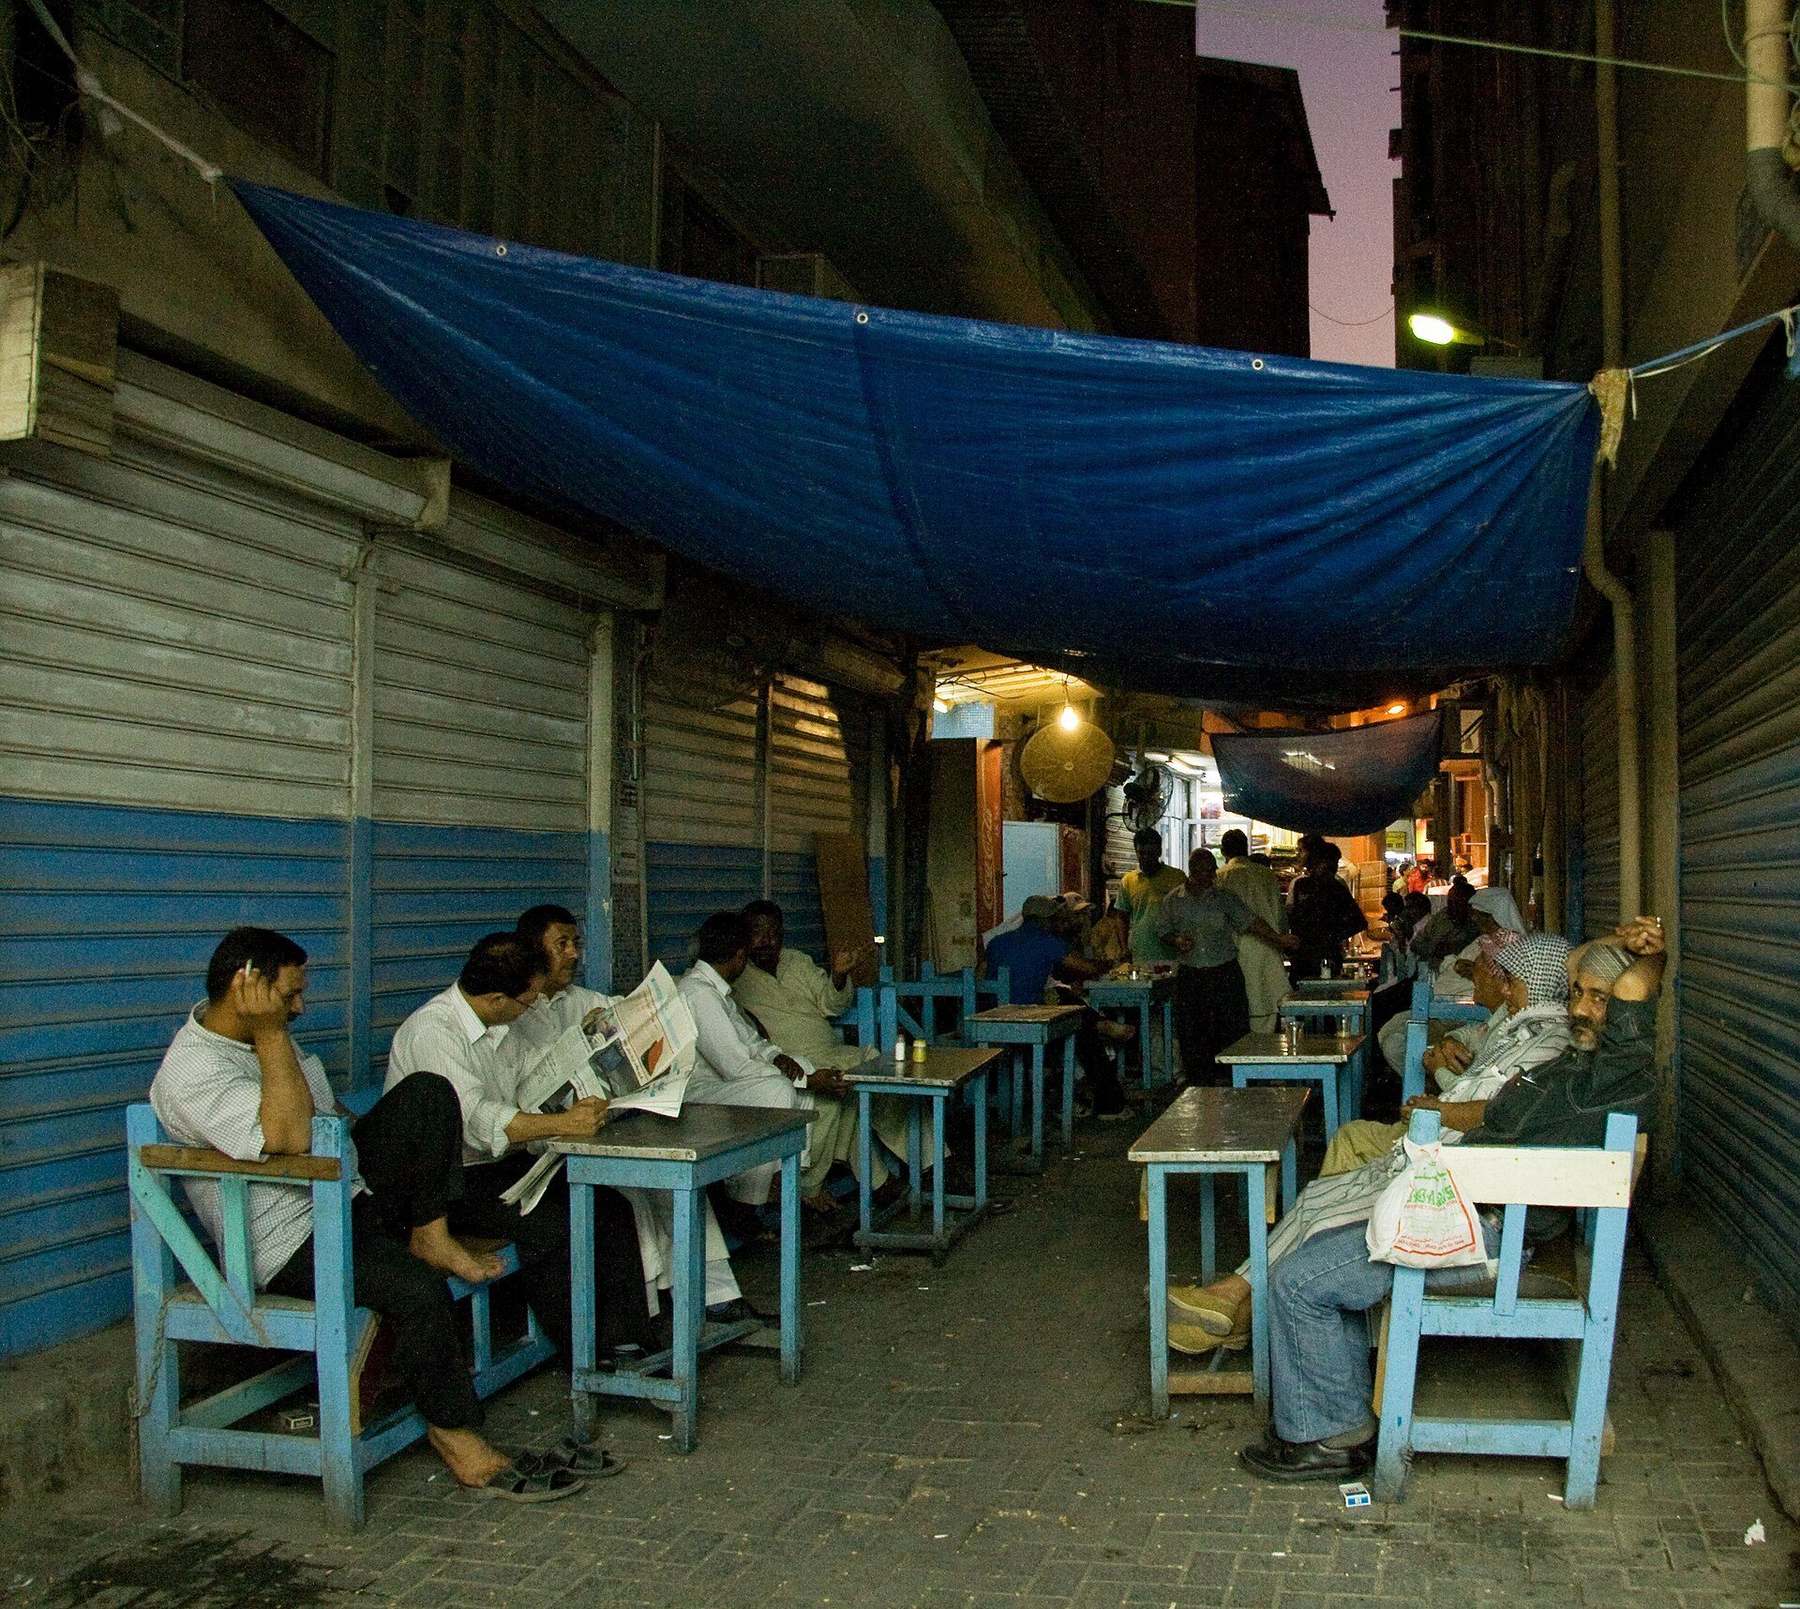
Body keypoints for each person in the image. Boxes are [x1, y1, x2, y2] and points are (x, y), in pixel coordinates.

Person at [150, 927, 587, 1502]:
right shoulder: (193, 1071)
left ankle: (431, 1234)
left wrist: (393, 1146)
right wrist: (271, 1033)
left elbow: (331, 1118)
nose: (299, 1008)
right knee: (417, 1288)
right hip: (294, 1242)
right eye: (290, 995)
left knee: (429, 1092)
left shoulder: (268, 1041)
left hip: (348, 1200)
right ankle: (459, 1440)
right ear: (245, 987)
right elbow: (291, 1137)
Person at [1224, 920, 1664, 1483]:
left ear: (1628, 1014)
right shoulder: (1577, 1062)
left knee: (1298, 1281)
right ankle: (1340, 1418)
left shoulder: (1612, 1077)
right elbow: (1574, 963)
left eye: (1599, 999)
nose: (1579, 1007)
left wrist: (1654, 956)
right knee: (1319, 1245)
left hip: (1487, 1235)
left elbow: (1631, 992)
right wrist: (1619, 947)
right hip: (1474, 1215)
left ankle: (1327, 1437)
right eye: (1576, 992)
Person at [385, 934, 650, 1453]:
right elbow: (478, 1120)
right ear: (497, 999)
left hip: (493, 1166)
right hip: (441, 1184)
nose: (533, 1009)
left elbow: (536, 1075)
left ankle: (629, 1343)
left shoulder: (501, 1025)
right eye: (528, 1001)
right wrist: (559, 1124)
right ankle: (585, 1359)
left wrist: (584, 1097)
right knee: (549, 1225)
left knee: (608, 1203)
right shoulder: (435, 1032)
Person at [502, 905, 747, 1321]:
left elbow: (630, 1011)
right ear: (532, 950)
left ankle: (716, 1293)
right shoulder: (516, 1011)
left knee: (673, 1178)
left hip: (600, 1128)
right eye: (562, 944)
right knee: (631, 1191)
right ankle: (647, 1310)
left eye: (576, 943)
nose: (574, 953)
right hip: (547, 1142)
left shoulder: (581, 999)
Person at [1319, 932, 1573, 1174]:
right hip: (1450, 1132)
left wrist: (1436, 1099)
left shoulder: (1548, 1041)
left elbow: (1498, 1110)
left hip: (1458, 1149)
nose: (1506, 991)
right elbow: (1477, 1043)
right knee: (1352, 1137)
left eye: (1512, 982)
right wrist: (1450, 1044)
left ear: (1540, 983)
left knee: (1350, 1140)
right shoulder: (1521, 1025)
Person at [678, 910, 869, 1222]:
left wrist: (778, 1057)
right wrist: (807, 1080)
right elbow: (736, 1066)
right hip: (700, 1093)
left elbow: (751, 1041)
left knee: (800, 1066)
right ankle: (745, 1200)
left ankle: (791, 1178)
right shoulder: (698, 994)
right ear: (740, 956)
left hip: (726, 1083)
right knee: (779, 1090)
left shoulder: (714, 989)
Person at [731, 899, 914, 1199]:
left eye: (773, 933)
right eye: (757, 933)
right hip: (794, 1062)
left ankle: (915, 1164)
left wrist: (839, 976)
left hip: (830, 1051)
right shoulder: (737, 976)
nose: (766, 941)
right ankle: (869, 1179)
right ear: (743, 937)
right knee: (846, 1093)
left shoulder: (797, 961)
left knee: (882, 1070)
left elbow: (832, 1004)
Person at [1156, 848, 1297, 1085]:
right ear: (1194, 871)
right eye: (1207, 872)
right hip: (1192, 975)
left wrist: (1278, 939)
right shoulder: (1174, 900)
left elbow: (1251, 922)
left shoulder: (1224, 898)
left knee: (1232, 1030)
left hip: (1224, 972)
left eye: (1213, 871)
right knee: (1193, 1032)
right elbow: (1163, 930)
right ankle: (1199, 1084)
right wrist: (1176, 940)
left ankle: (1234, 1081)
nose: (1212, 877)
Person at [990, 895, 1129, 1117]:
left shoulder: (997, 942)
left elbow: (980, 975)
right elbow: (1087, 968)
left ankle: (1097, 1025)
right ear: (1046, 920)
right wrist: (1111, 964)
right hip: (1030, 1020)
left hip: (993, 1018)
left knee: (1065, 1003)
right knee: (1084, 1035)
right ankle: (1110, 1105)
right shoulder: (1048, 941)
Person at [1217, 829, 1290, 1033]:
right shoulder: (1266, 874)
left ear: (1223, 851)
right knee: (1266, 1015)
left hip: (1235, 955)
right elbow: (1280, 915)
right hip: (1268, 952)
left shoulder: (1220, 877)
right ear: (1247, 849)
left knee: (1238, 1018)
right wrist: (1281, 940)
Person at [1287, 841, 1368, 980]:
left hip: (1324, 955)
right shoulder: (1302, 885)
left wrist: (1330, 937)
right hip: (1305, 955)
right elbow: (1293, 917)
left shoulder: (1336, 888)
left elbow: (1359, 922)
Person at [1115, 828, 1187, 965]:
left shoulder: (1177, 877)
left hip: (1172, 954)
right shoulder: (1128, 881)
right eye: (1142, 853)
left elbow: (1188, 912)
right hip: (1140, 954)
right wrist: (1124, 949)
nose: (1146, 858)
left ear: (1159, 851)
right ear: (1136, 852)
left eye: (1151, 853)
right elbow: (1121, 917)